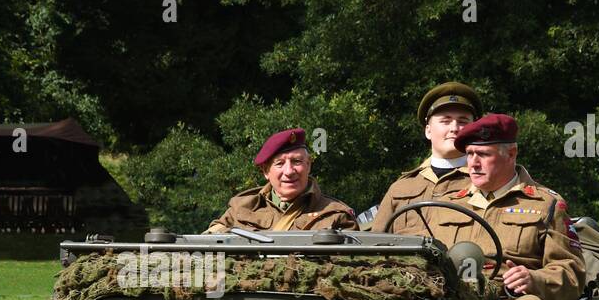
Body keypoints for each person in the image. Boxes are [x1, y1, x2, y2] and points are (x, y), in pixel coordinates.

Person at [404, 113, 585, 300]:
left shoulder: (546, 205)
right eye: (469, 154)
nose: (473, 164)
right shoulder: (447, 204)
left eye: (484, 155)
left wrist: (534, 280)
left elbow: (572, 274)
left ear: (510, 154)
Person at [364, 81, 481, 232]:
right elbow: (376, 246)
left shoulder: (486, 183)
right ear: (428, 131)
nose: (454, 128)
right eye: (445, 121)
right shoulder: (400, 189)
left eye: (462, 121)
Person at [206, 128, 356, 233]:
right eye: (279, 163)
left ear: (308, 165)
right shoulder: (241, 209)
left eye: (297, 161)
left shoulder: (336, 215)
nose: (289, 171)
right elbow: (207, 244)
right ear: (266, 171)